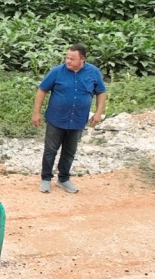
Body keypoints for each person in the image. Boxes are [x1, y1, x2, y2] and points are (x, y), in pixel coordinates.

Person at [33, 43, 107, 194]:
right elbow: (42, 90)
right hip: (56, 118)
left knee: (69, 151)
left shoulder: (93, 72)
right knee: (50, 150)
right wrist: (36, 113)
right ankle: (46, 178)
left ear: (82, 59)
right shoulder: (57, 71)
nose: (68, 61)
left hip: (78, 120)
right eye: (67, 57)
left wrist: (98, 113)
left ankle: (63, 179)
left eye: (72, 59)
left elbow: (101, 92)